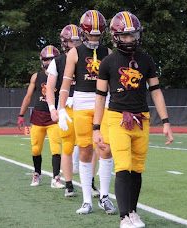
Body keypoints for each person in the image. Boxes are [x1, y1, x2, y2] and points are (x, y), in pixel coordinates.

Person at [93, 11, 174, 228]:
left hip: (142, 118)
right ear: (116, 36)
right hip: (117, 117)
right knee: (123, 166)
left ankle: (133, 212)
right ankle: (123, 217)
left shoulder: (146, 59)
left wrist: (165, 122)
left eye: (133, 35)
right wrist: (96, 127)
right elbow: (100, 98)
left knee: (137, 168)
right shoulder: (108, 62)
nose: (130, 39)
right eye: (126, 36)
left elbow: (156, 91)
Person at [58, 10, 116, 215]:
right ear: (84, 33)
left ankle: (104, 196)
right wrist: (61, 107)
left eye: (98, 35)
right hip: (82, 102)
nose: (94, 39)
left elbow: (113, 82)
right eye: (91, 35)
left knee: (106, 148)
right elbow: (65, 83)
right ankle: (86, 201)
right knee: (84, 150)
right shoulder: (74, 53)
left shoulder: (108, 52)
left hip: (105, 102)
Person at [17, 45, 65, 189]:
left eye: (52, 59)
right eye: (47, 59)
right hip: (38, 116)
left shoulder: (61, 76)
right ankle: (37, 173)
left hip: (53, 116)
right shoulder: (36, 76)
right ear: (42, 60)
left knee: (56, 148)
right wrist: (21, 114)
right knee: (36, 149)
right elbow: (28, 96)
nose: (49, 62)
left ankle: (56, 177)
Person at [46, 24, 81, 197]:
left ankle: (91, 183)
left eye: (77, 40)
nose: (75, 44)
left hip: (85, 105)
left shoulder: (87, 58)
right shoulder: (57, 61)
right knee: (67, 146)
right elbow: (50, 88)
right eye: (72, 41)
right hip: (66, 107)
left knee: (90, 146)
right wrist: (53, 109)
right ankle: (68, 184)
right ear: (65, 42)